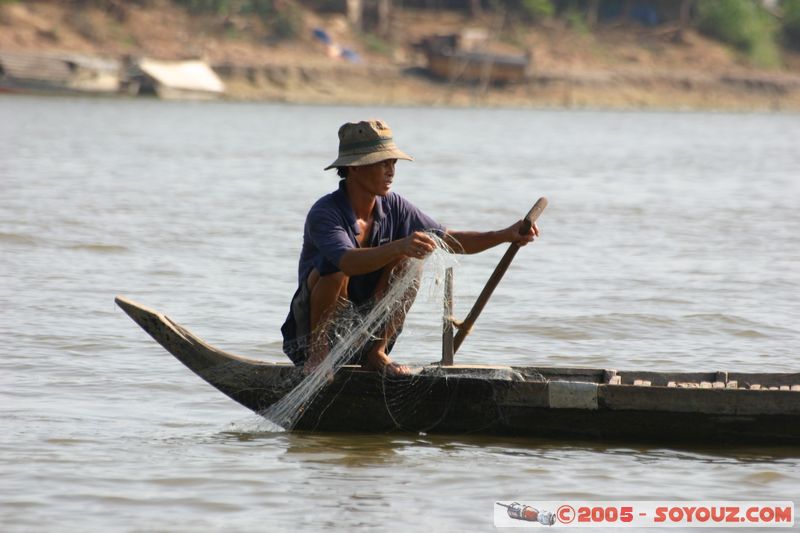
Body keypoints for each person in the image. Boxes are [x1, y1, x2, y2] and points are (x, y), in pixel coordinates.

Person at [281, 119, 539, 376]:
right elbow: (348, 262)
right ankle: (319, 355)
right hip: (310, 334)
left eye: (392, 162)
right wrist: (398, 246)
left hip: (363, 330)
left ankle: (376, 352)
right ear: (354, 168)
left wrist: (504, 234)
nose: (391, 170)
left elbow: (447, 240)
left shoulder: (395, 207)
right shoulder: (326, 212)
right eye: (382, 163)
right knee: (334, 270)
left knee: (410, 263)